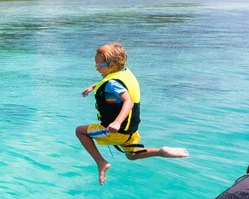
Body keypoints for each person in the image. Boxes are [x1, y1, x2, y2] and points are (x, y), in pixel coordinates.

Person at [75, 43, 188, 185]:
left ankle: (101, 162)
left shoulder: (112, 83)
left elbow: (128, 101)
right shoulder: (124, 73)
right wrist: (94, 86)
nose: (96, 68)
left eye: (98, 65)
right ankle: (161, 151)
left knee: (80, 131)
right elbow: (112, 83)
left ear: (112, 64)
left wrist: (116, 122)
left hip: (115, 130)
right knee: (132, 155)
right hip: (130, 130)